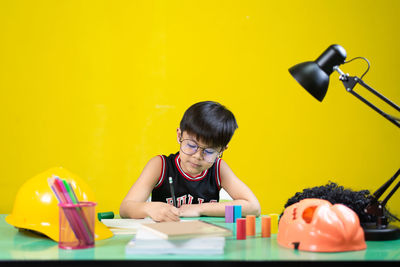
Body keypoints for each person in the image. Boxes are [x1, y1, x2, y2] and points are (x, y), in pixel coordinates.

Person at [120, 101, 261, 222]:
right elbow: (125, 209)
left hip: (205, 242)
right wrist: (149, 208)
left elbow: (253, 207)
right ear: (179, 135)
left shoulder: (218, 169)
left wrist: (198, 209)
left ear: (222, 150)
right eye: (191, 145)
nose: (197, 156)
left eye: (209, 151)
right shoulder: (160, 165)